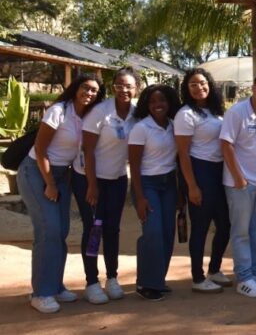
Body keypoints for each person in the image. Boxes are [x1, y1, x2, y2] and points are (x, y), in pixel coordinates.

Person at [19, 74, 104, 313]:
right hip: (36, 172)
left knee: (61, 230)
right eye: (85, 88)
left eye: (94, 91)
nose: (89, 93)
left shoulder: (87, 116)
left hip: (61, 175)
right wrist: (50, 183)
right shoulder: (59, 111)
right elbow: (40, 148)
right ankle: (41, 293)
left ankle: (54, 285)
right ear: (76, 89)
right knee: (49, 229)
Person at [72, 68, 138, 304]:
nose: (124, 90)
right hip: (89, 178)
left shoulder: (136, 113)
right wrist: (92, 185)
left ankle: (112, 278)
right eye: (119, 85)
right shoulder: (101, 112)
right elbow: (87, 150)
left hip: (117, 178)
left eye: (129, 85)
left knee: (112, 229)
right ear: (113, 88)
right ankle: (92, 281)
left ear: (136, 88)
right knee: (94, 228)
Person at [220, 72, 256, 298]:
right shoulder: (237, 112)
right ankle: (243, 277)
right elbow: (226, 144)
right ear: (253, 88)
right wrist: (238, 178)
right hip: (240, 184)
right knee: (241, 231)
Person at [175, 68, 232, 294]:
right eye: (193, 85)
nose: (199, 88)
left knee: (225, 225)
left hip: (220, 172)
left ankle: (214, 269)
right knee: (200, 226)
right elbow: (183, 153)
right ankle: (197, 277)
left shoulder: (216, 111)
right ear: (187, 90)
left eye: (203, 83)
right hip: (200, 171)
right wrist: (191, 186)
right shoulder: (185, 114)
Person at [129, 84, 181, 302]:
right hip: (147, 185)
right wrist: (140, 198)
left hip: (168, 184)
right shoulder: (141, 128)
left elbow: (177, 161)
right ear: (146, 105)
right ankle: (145, 283)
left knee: (168, 233)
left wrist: (179, 192)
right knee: (153, 232)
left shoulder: (173, 125)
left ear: (169, 103)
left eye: (161, 101)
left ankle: (158, 279)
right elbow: (134, 166)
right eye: (152, 102)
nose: (157, 105)